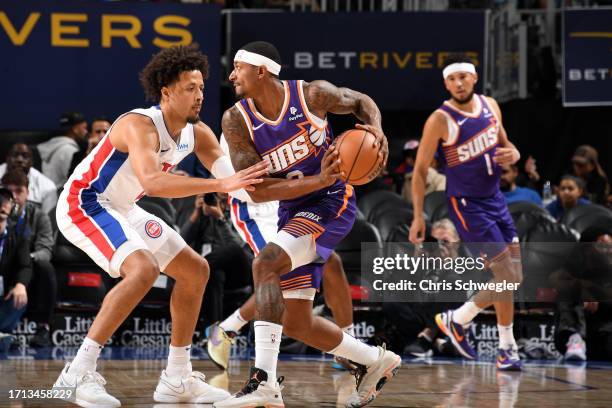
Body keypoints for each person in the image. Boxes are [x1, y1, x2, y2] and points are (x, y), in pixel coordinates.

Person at [51, 44, 268, 407]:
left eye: (201, 88)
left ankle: (177, 378)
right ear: (166, 91)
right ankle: (77, 372)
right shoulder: (139, 125)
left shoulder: (198, 133)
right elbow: (153, 182)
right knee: (143, 270)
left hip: (123, 206)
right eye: (189, 88)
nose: (199, 95)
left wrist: (281, 183)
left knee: (195, 271)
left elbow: (237, 183)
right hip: (84, 202)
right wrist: (220, 186)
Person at [215, 41, 399, 408]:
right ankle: (375, 360)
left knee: (265, 263)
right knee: (297, 321)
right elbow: (261, 190)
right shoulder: (236, 120)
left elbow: (360, 100)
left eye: (238, 67)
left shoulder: (312, 95)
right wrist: (317, 180)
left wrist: (376, 129)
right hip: (293, 206)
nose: (231, 74)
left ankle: (263, 382)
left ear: (261, 70)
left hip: (333, 203)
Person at [204, 135, 357, 372]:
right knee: (278, 272)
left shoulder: (294, 107)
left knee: (331, 261)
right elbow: (239, 180)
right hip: (254, 206)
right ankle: (226, 331)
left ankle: (349, 344)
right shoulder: (238, 121)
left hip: (288, 198)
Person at [410, 55, 524, 371]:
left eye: (463, 77)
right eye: (452, 79)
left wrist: (513, 152)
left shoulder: (491, 106)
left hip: (495, 199)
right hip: (467, 206)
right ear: (446, 83)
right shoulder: (440, 119)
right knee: (506, 276)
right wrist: (419, 215)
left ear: (474, 78)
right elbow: (419, 171)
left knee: (514, 277)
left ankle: (497, 343)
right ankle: (464, 324)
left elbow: (505, 147)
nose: (458, 83)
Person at [180, 192, 253, 329]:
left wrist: (220, 218)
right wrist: (196, 213)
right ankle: (214, 335)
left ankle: (196, 269)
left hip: (239, 270)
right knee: (214, 275)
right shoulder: (202, 215)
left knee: (232, 249)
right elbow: (182, 241)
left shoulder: (237, 210)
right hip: (214, 268)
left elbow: (241, 247)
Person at [1, 170, 56, 347]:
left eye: (19, 191)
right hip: (4, 268)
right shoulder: (2, 213)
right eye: (9, 192)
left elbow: (46, 251)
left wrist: (23, 258)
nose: (14, 197)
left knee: (45, 267)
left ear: (28, 193)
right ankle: (6, 330)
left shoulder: (39, 216)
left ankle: (42, 328)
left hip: (28, 268)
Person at [0, 188, 32, 338]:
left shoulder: (18, 234)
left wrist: (20, 285)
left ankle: (2, 332)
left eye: (8, 202)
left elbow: (25, 265)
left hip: (4, 292)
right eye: (1, 200)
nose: (3, 205)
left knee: (20, 296)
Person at [0, 144, 57, 213]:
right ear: (7, 158)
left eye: (25, 156)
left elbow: (47, 218)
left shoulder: (48, 186)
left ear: (32, 161)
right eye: (15, 155)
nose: (19, 160)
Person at [37, 112, 89, 188]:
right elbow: (76, 181)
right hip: (58, 197)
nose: (86, 132)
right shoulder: (70, 151)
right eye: (84, 128)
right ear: (75, 129)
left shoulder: (54, 146)